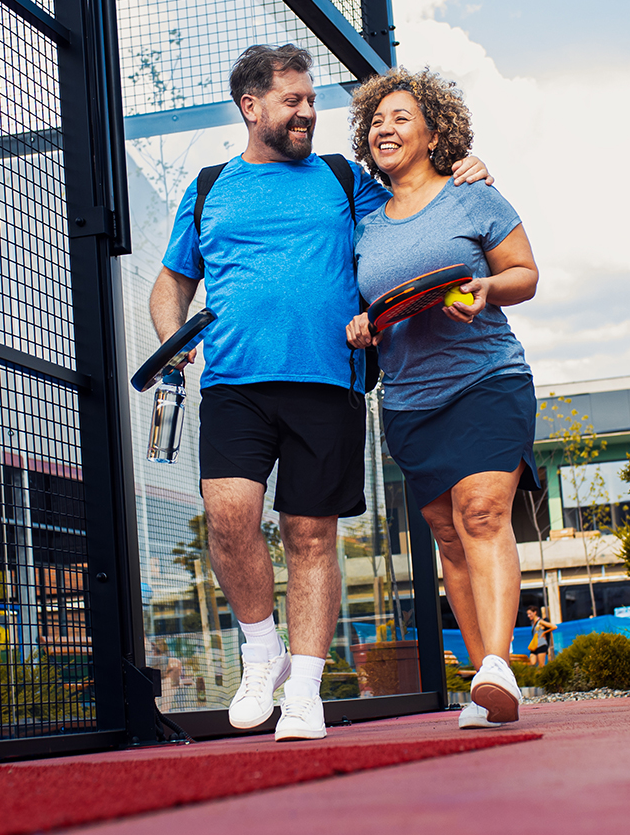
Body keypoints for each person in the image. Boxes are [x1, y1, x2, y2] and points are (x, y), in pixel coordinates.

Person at [149, 45, 490, 741]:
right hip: (235, 384)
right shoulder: (210, 187)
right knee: (229, 519)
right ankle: (260, 653)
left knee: (309, 535)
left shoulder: (342, 178)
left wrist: (467, 175)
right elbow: (170, 285)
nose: (308, 113)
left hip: (328, 384)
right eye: (294, 101)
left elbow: (416, 202)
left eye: (311, 101)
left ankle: (303, 690)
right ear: (252, 108)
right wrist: (172, 336)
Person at [345, 66, 539, 731]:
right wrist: (361, 326)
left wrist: (488, 289)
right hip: (408, 399)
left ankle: (500, 666)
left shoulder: (473, 195)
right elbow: (359, 306)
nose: (385, 128)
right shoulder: (363, 218)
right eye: (376, 120)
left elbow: (525, 273)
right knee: (449, 537)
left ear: (434, 132)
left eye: (401, 117)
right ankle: (488, 679)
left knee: (481, 513)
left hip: (487, 377)